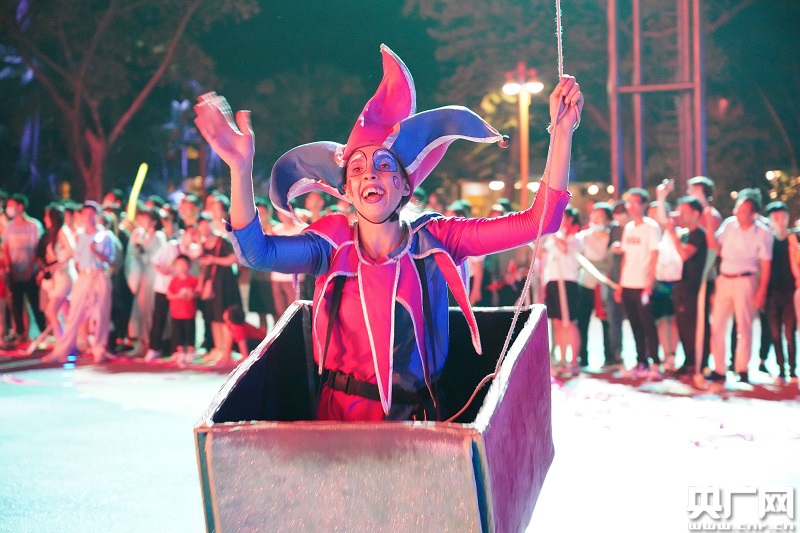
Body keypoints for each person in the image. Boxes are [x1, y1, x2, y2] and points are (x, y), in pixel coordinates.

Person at [194, 45, 582, 421]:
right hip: (337, 427)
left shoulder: (437, 238)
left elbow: (540, 221)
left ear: (404, 184)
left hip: (420, 427)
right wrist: (239, 169)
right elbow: (256, 252)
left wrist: (561, 133)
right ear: (347, 190)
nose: (370, 175)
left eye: (383, 165)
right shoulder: (330, 244)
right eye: (357, 170)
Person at [706, 189, 772, 384]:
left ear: (754, 214)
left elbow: (765, 264)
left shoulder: (762, 233)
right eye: (737, 209)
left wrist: (761, 291)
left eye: (742, 210)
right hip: (725, 278)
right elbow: (714, 246)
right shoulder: (729, 225)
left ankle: (742, 369)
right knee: (717, 325)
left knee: (744, 326)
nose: (737, 213)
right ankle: (719, 368)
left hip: (745, 280)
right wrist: (709, 225)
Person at [42, 202, 115, 364]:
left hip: (99, 274)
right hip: (83, 276)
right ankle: (63, 350)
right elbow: (76, 258)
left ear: (97, 216)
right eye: (85, 214)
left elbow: (109, 259)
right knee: (74, 314)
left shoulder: (104, 235)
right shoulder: (79, 235)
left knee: (101, 314)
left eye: (91, 214)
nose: (88, 218)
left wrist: (95, 251)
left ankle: (99, 349)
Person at [614, 188, 662, 378]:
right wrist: (620, 284)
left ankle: (655, 363)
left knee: (648, 324)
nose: (631, 206)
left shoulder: (651, 227)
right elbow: (625, 258)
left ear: (644, 205)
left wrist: (649, 284)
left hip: (643, 284)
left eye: (635, 202)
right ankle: (641, 361)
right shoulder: (628, 228)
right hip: (628, 284)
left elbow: (654, 256)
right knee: (634, 325)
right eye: (629, 202)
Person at [665, 196, 709, 376]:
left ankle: (700, 362)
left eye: (683, 211)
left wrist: (672, 234)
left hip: (694, 288)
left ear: (695, 213)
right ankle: (689, 361)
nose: (679, 215)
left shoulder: (698, 234)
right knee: (682, 325)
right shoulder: (685, 234)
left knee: (694, 325)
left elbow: (684, 255)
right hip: (680, 285)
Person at [1, 193, 45, 346]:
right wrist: (10, 267)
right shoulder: (9, 227)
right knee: (16, 305)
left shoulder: (34, 225)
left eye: (11, 205)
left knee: (35, 303)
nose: (8, 209)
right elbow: (5, 248)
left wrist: (28, 269)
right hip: (14, 272)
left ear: (21, 207)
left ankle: (42, 333)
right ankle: (21, 334)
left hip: (30, 272)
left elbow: (36, 249)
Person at [542, 206, 583, 370]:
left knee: (569, 322)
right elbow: (542, 256)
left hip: (567, 282)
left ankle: (573, 361)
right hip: (552, 281)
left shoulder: (574, 238)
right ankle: (562, 358)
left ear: (570, 219)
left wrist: (553, 233)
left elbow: (565, 249)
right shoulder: (552, 239)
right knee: (557, 322)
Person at [764, 201, 798, 383]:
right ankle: (780, 368)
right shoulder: (767, 241)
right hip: (772, 293)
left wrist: (793, 247)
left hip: (789, 292)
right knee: (775, 333)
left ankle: (792, 370)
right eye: (775, 217)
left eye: (782, 216)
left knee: (790, 332)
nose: (779, 220)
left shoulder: (794, 239)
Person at [166, 254, 198, 365]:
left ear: (189, 266)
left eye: (183, 264)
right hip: (176, 313)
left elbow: (197, 294)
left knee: (190, 332)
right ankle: (180, 352)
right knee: (178, 333)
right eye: (179, 265)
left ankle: (190, 352)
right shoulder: (174, 280)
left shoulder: (193, 280)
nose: (181, 267)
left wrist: (190, 294)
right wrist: (179, 296)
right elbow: (169, 295)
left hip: (189, 312)